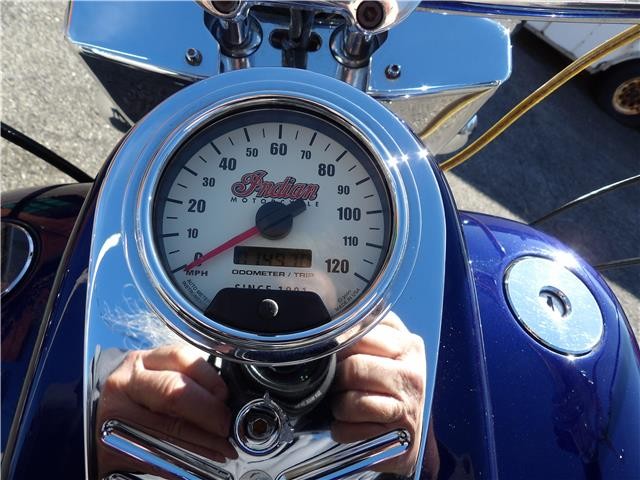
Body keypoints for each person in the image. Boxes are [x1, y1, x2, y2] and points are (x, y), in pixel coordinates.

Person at [95, 312, 426, 477]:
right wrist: (87, 426)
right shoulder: (135, 384)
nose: (278, 354)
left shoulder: (382, 399)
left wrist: (418, 456)